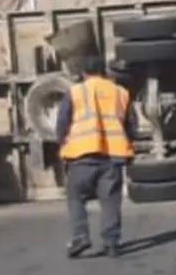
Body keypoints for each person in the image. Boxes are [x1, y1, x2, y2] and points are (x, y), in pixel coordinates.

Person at [56, 55, 138, 259]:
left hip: (81, 155)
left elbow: (62, 123)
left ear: (83, 73)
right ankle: (111, 243)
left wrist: (64, 144)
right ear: (105, 71)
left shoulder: (75, 92)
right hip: (112, 157)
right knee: (110, 200)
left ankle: (80, 237)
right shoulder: (120, 93)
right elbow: (131, 125)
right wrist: (126, 143)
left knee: (76, 198)